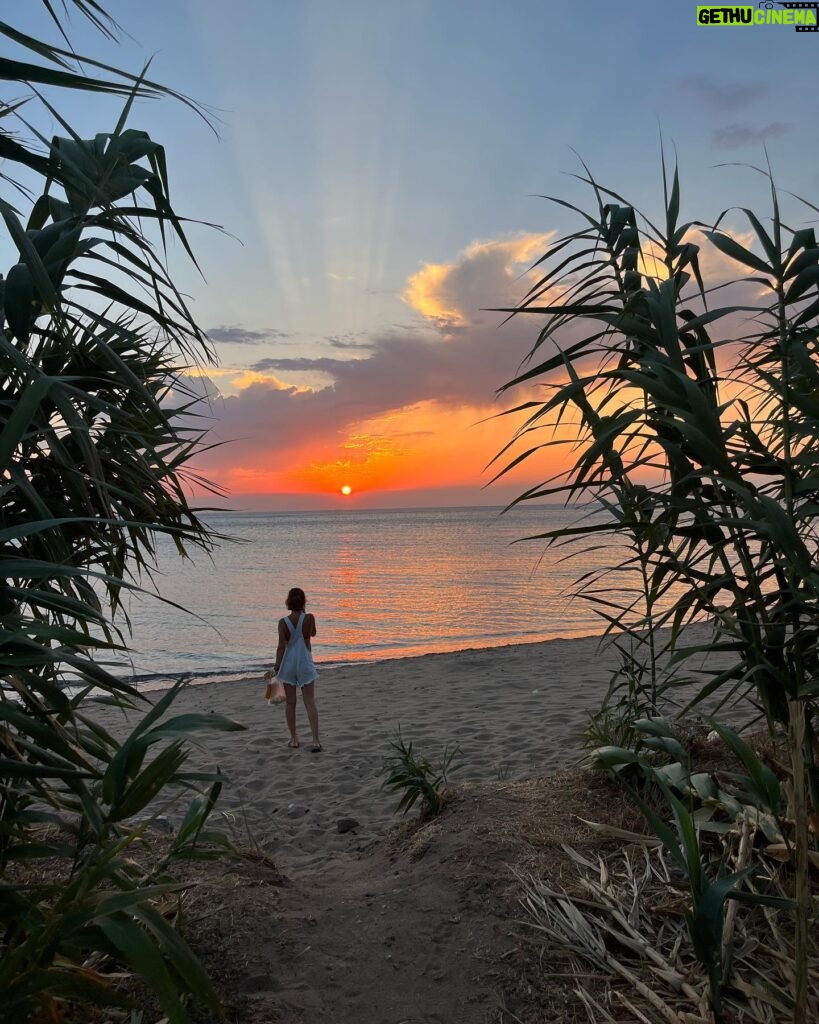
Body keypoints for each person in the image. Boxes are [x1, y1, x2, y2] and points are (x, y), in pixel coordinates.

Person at [264, 587, 321, 752]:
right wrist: (304, 615)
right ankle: (315, 740)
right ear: (303, 601)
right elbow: (313, 634)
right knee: (310, 702)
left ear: (288, 601)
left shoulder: (283, 623)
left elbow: (281, 647)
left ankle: (294, 738)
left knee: (290, 703)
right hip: (304, 663)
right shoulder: (309, 618)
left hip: (288, 664)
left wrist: (276, 667)